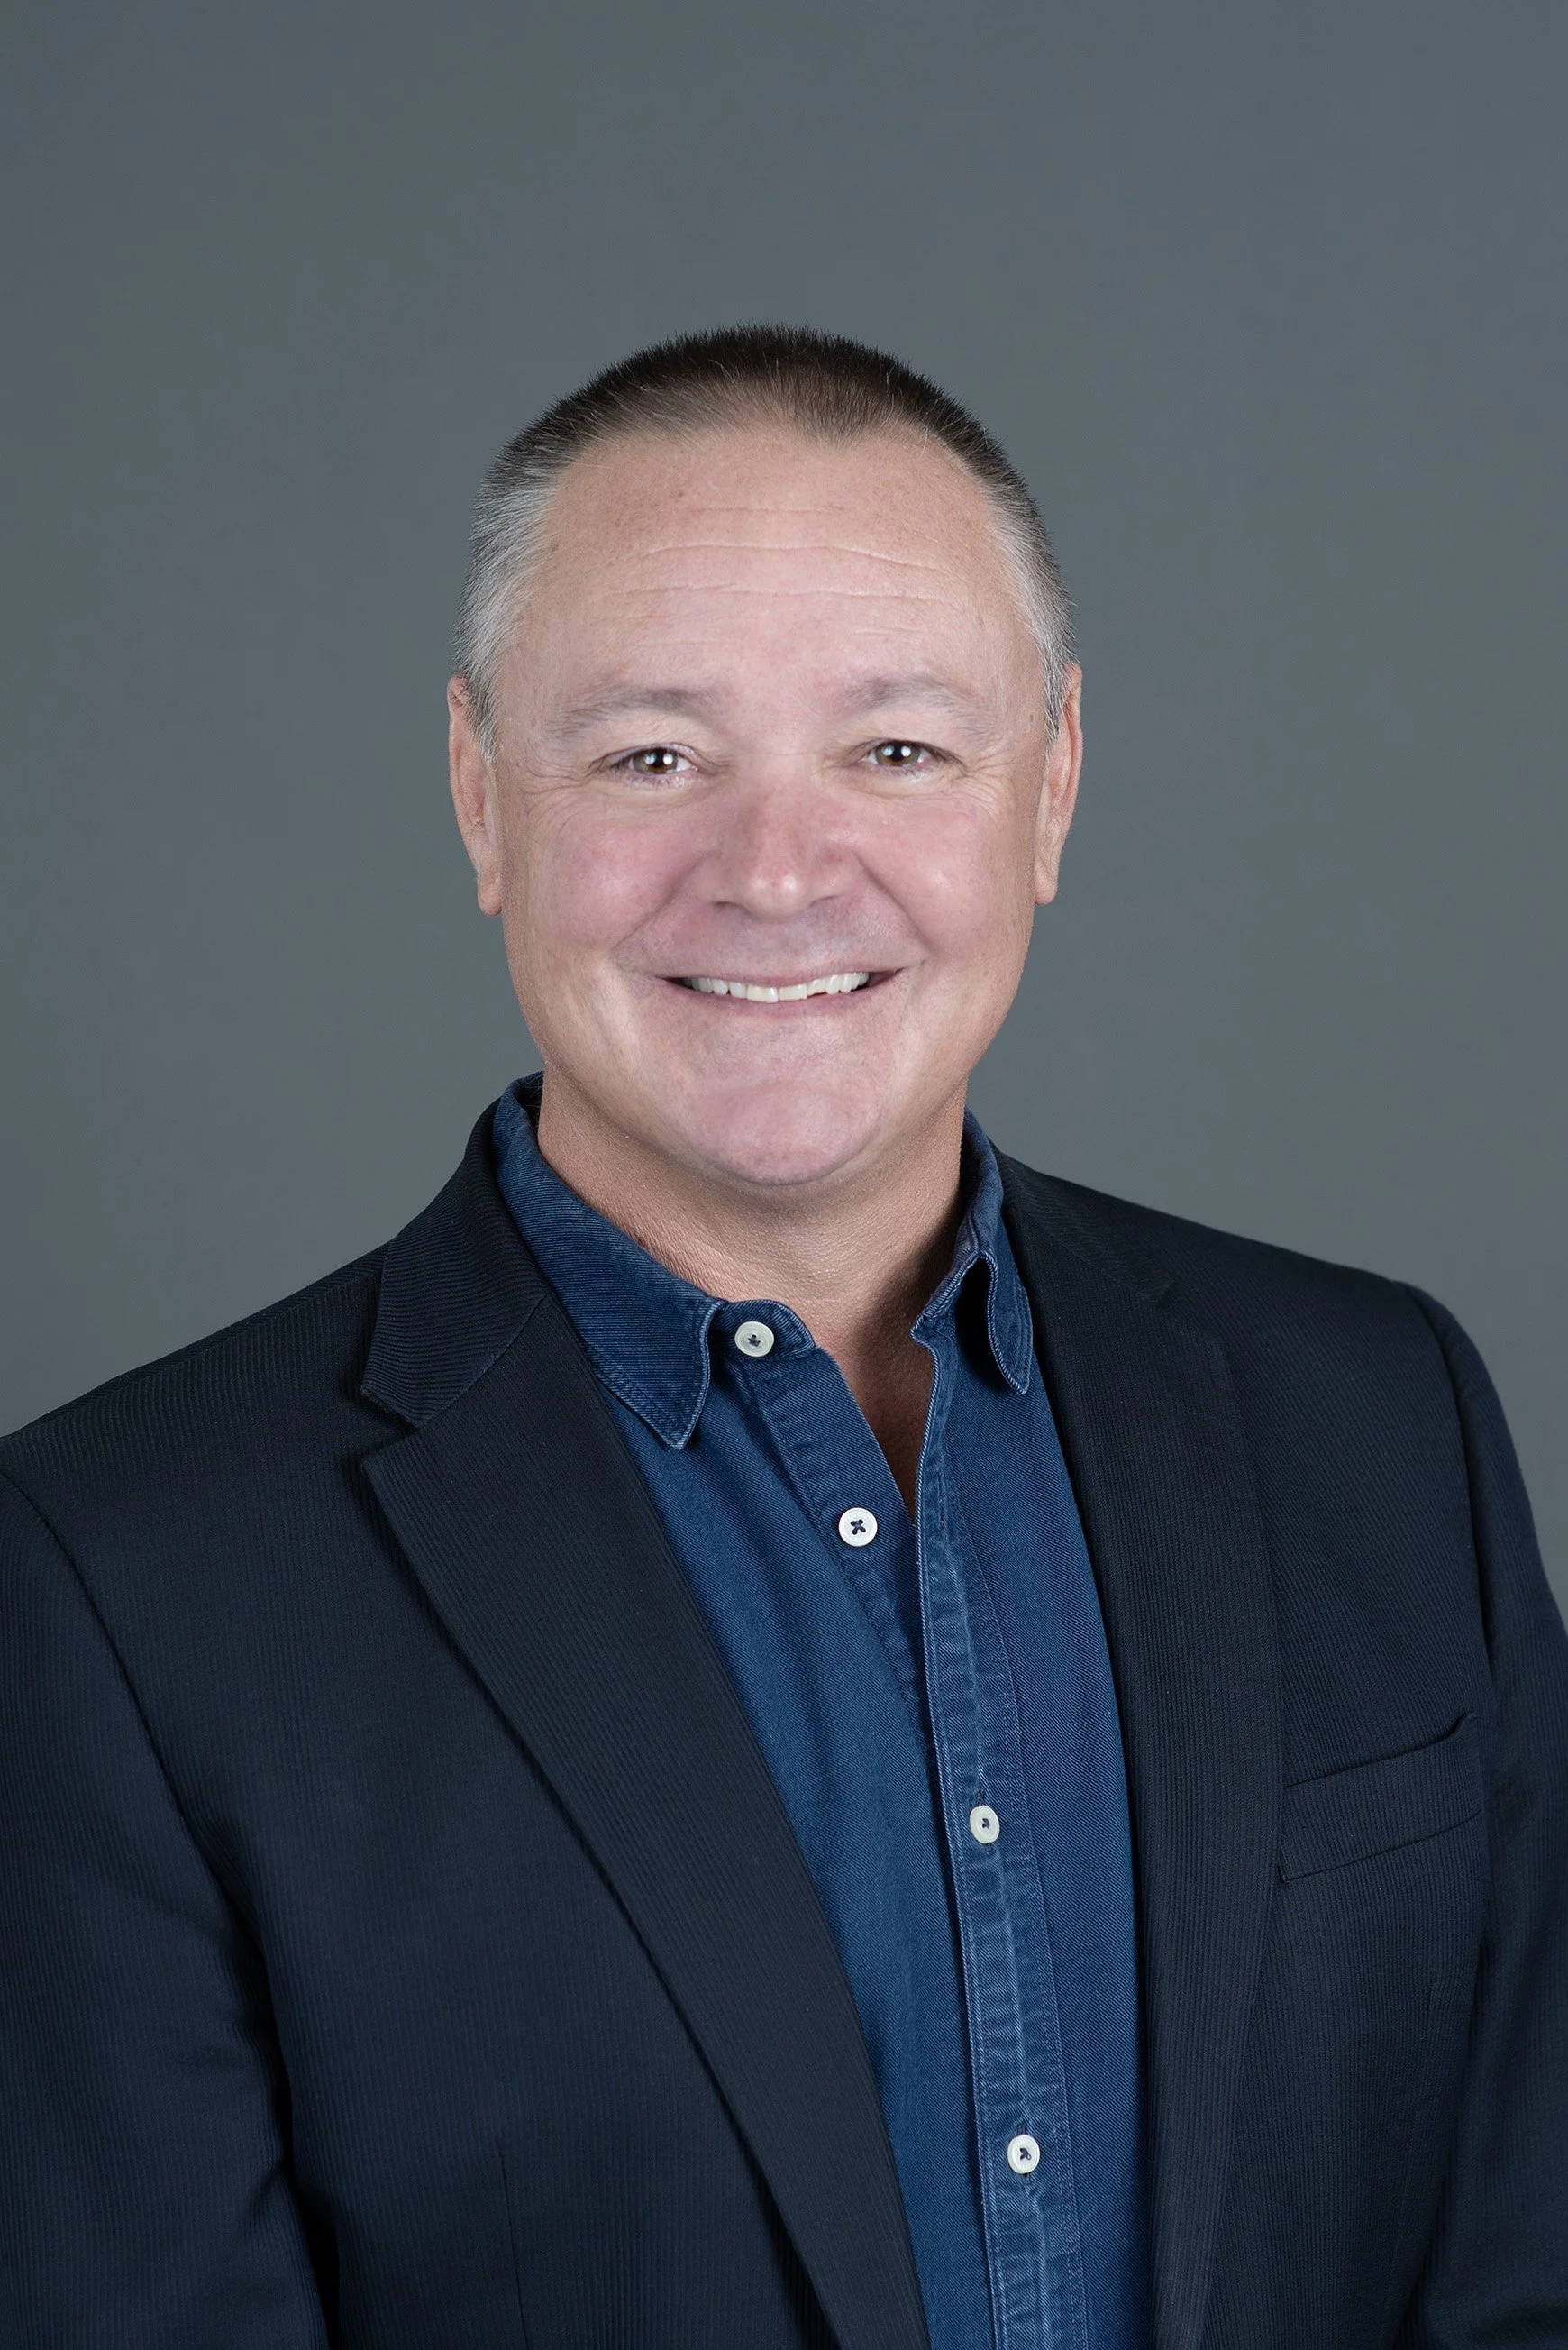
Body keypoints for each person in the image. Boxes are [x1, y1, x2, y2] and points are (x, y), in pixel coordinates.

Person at [1, 327, 1563, 2350]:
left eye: (896, 749)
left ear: (1052, 788)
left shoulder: (1380, 1419)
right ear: (485, 794)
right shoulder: (119, 1581)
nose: (775, 870)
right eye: (654, 754)